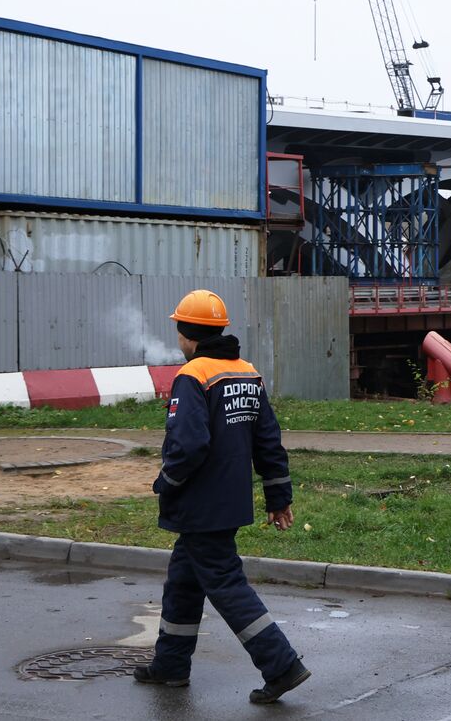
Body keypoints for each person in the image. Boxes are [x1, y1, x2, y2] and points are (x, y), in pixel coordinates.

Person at [134, 288, 311, 704]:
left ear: (186, 333)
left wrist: (166, 483)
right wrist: (277, 496)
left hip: (201, 505)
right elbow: (268, 439)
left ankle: (282, 665)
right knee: (183, 582)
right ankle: (171, 666)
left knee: (227, 586)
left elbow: (188, 446)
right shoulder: (248, 372)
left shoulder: (193, 376)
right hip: (230, 503)